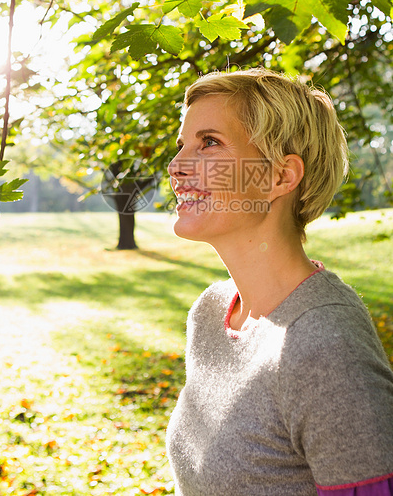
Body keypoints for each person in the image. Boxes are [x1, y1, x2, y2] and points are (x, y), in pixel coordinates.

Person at [166, 68, 393, 496]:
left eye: (209, 143)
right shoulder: (212, 312)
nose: (176, 166)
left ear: (280, 177)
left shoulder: (324, 342)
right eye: (183, 146)